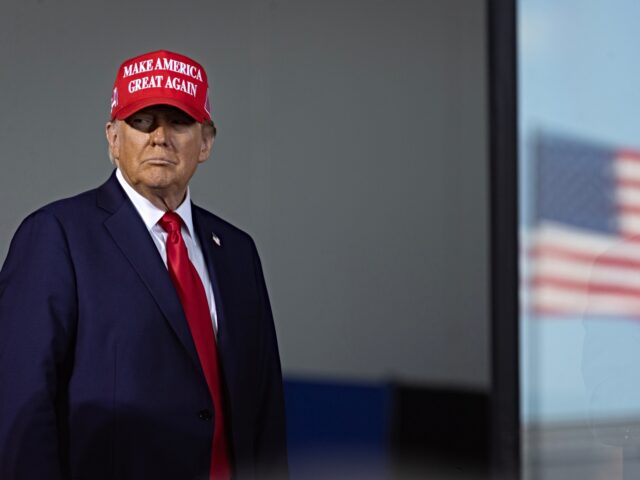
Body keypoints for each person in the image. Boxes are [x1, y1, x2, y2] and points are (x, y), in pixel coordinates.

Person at [0, 50, 288, 480]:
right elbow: (19, 408)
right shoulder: (56, 235)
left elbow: (265, 412)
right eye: (141, 121)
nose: (160, 137)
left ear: (206, 142)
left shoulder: (238, 252)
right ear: (113, 138)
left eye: (179, 122)